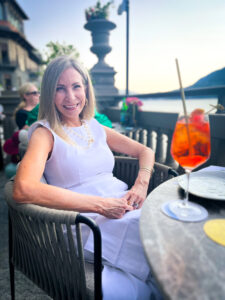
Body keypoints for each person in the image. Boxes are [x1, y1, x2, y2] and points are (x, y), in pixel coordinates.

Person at [13, 56, 162, 300]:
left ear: (86, 89)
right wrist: (101, 206)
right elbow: (23, 189)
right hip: (85, 219)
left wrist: (141, 185)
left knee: (164, 224)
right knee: (156, 236)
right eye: (60, 88)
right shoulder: (44, 132)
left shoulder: (93, 126)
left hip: (122, 205)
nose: (70, 97)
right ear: (49, 93)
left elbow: (144, 151)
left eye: (76, 86)